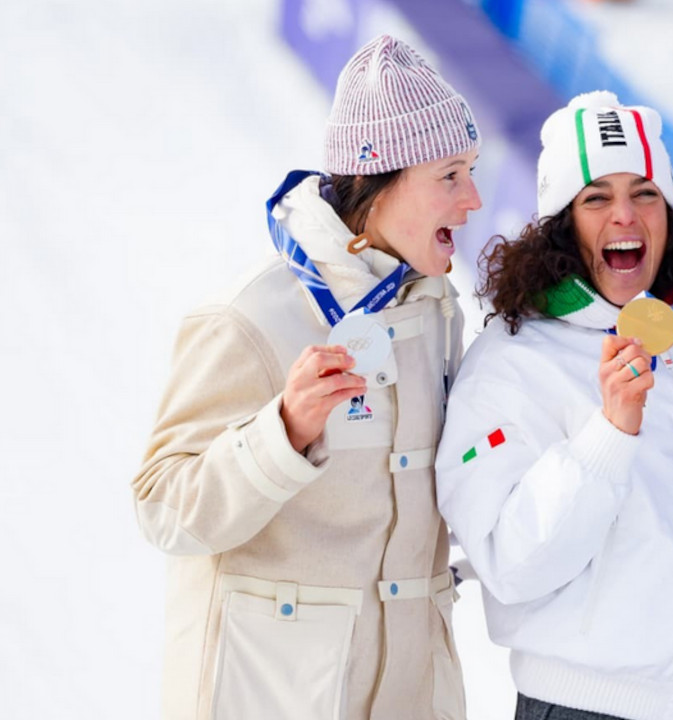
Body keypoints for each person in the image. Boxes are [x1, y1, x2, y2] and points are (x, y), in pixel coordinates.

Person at [130, 35, 480, 720]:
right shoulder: (247, 317)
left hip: (409, 695)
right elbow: (161, 505)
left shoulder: (436, 311)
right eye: (449, 175)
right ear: (377, 184)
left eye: (471, 169)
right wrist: (281, 434)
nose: (472, 199)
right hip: (276, 694)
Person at [435, 91, 673, 720]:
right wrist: (608, 434)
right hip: (596, 709)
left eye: (645, 193)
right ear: (560, 221)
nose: (625, 216)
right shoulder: (512, 360)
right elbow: (511, 564)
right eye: (597, 197)